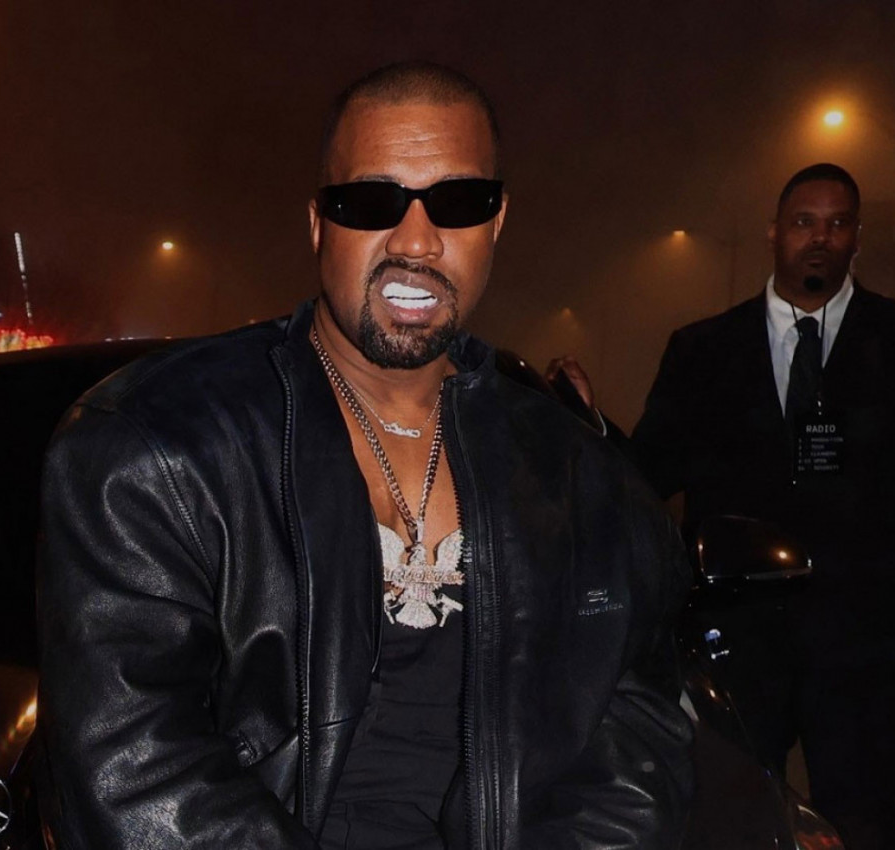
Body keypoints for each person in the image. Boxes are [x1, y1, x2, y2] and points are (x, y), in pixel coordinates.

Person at [36, 61, 694, 850]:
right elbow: (132, 767)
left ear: (496, 222)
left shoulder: (578, 475)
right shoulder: (158, 444)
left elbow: (636, 734)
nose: (415, 241)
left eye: (457, 202)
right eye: (372, 202)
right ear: (319, 223)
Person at [629, 163, 895, 850]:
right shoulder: (703, 349)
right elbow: (648, 472)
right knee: (733, 823)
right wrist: (581, 426)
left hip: (867, 640)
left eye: (836, 223)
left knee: (863, 822)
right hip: (736, 638)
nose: (819, 238)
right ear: (774, 232)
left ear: (856, 237)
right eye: (803, 222)